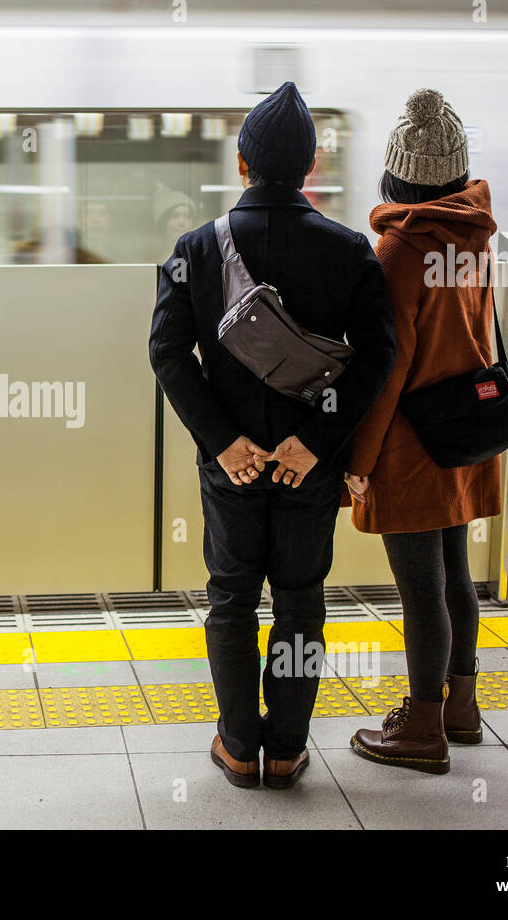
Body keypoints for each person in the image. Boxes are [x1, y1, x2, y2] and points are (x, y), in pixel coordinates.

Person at [149, 82, 396, 790]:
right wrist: (316, 440)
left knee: (231, 596)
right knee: (300, 601)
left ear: (242, 163)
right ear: (311, 164)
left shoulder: (195, 249)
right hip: (305, 468)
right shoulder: (350, 251)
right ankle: (285, 748)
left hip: (231, 467)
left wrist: (224, 439)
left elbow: (167, 352)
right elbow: (379, 354)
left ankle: (236, 745)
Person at [345, 89, 501, 774]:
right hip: (464, 431)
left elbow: (388, 369)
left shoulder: (400, 252)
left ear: (396, 174)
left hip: (411, 445)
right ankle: (461, 703)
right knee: (456, 575)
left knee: (421, 590)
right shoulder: (476, 237)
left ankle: (422, 725)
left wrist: (358, 458)